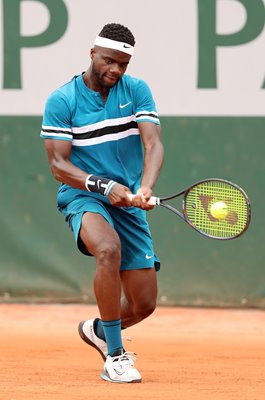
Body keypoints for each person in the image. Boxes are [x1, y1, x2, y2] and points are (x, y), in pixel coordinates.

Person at [40, 23, 164, 384]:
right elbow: (58, 165)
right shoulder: (62, 100)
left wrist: (144, 186)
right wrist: (101, 184)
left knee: (143, 305)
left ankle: (99, 328)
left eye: (123, 64)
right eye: (109, 61)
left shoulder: (137, 90)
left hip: (125, 201)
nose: (116, 70)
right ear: (92, 54)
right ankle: (115, 354)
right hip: (83, 195)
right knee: (107, 249)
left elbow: (153, 144)